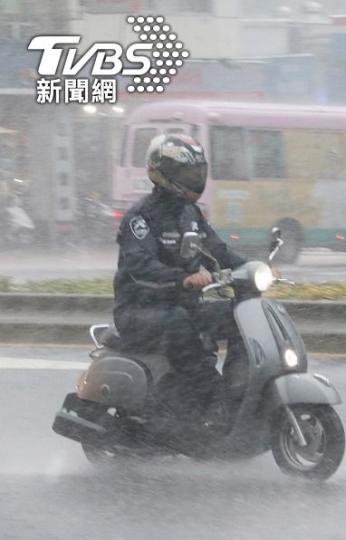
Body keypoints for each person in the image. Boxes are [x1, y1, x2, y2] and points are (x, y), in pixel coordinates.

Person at [113, 133, 248, 425]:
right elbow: (140, 265)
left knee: (241, 315)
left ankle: (239, 391)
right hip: (139, 311)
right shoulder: (140, 218)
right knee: (178, 321)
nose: (195, 179)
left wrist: (253, 268)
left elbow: (218, 250)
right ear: (163, 174)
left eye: (197, 173)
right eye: (187, 174)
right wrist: (183, 278)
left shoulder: (191, 214)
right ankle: (210, 396)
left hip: (183, 306)